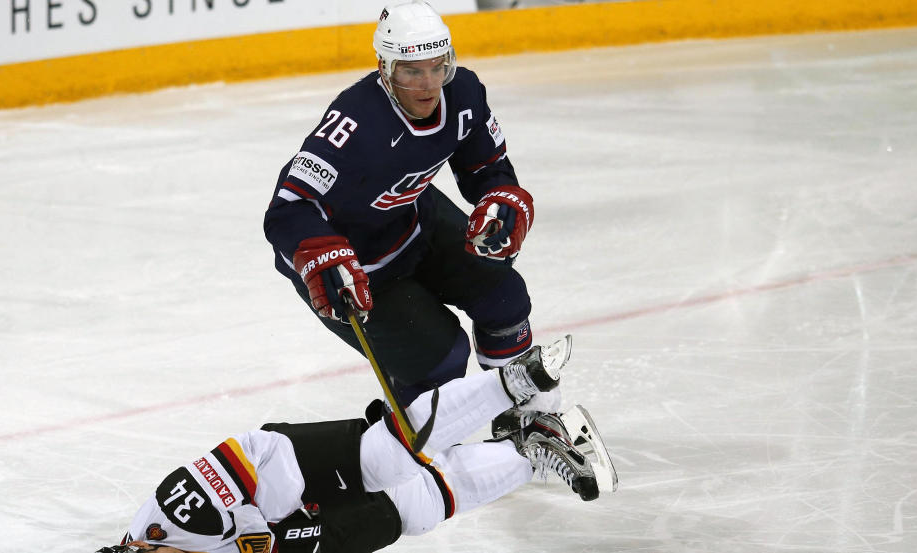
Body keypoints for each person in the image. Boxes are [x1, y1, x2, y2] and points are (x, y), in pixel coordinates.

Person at [263, 0, 548, 411]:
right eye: (412, 71)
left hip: (414, 219)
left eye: (438, 67)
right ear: (385, 68)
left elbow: (486, 167)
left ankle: (522, 418)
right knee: (438, 360)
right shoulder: (354, 125)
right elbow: (289, 209)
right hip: (355, 269)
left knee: (505, 299)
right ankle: (411, 458)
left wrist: (500, 196)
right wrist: (317, 250)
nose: (429, 84)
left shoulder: (463, 92)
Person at [95, 337, 607, 553]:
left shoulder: (176, 511)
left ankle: (512, 382)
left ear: (138, 545)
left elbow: (240, 477)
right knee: (414, 508)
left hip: (279, 469)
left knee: (385, 459)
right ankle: (533, 449)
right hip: (289, 532)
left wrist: (258, 534)